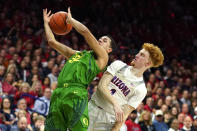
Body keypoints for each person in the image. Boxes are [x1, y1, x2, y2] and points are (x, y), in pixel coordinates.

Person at [43, 7, 116, 131]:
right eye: (100, 38)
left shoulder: (103, 58)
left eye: (104, 41)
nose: (100, 40)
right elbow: (51, 41)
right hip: (58, 93)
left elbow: (85, 32)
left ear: (109, 50)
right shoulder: (77, 54)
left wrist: (71, 20)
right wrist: (46, 23)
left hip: (76, 94)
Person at [88, 43, 164, 131]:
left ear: (148, 64)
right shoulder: (118, 65)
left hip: (108, 121)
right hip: (92, 107)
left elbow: (124, 115)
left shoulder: (141, 89)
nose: (136, 55)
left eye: (142, 55)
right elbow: (101, 86)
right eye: (139, 53)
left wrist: (114, 130)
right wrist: (115, 103)